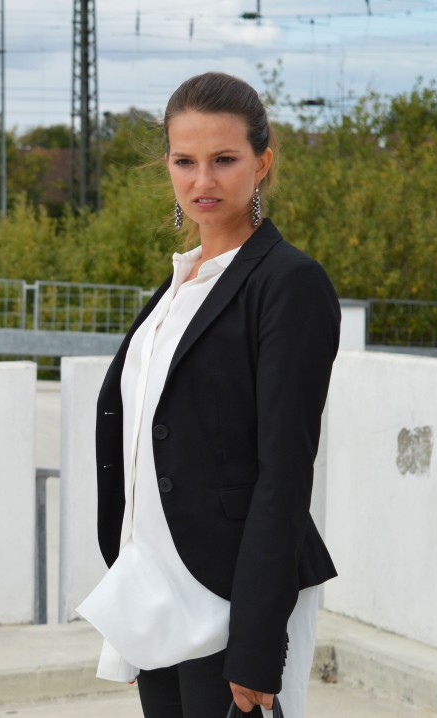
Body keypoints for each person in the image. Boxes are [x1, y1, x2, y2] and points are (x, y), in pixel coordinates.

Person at [76, 71, 340, 717]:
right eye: (184, 161)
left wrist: (257, 640)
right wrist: (132, 599)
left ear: (262, 163)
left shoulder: (289, 284)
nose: (203, 181)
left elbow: (285, 470)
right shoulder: (178, 287)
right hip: (157, 591)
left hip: (235, 597)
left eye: (224, 159)